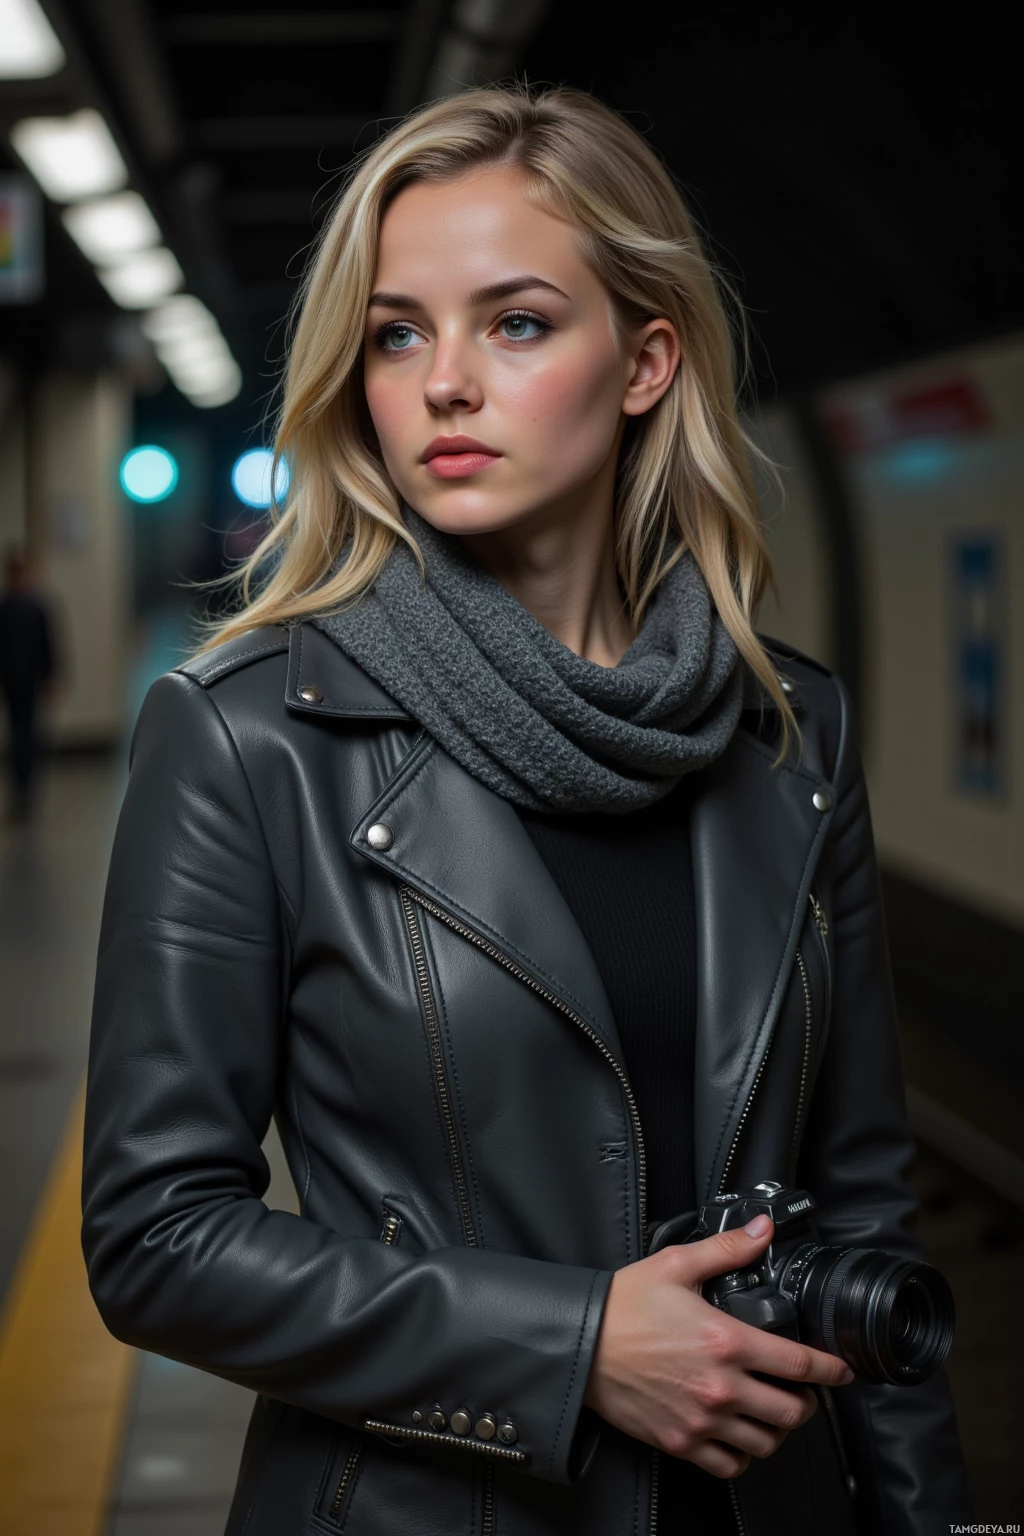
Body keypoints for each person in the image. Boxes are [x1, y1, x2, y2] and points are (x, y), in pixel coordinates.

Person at [82, 85, 971, 1535]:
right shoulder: (247, 739)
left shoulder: (790, 733)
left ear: (644, 361)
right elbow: (154, 1238)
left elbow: (864, 1212)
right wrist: (572, 1350)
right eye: (396, 333)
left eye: (516, 323)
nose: (443, 382)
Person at [0, 546, 56, 822]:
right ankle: (19, 789)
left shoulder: (37, 609)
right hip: (11, 683)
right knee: (16, 736)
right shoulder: (5, 609)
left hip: (31, 682)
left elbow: (49, 646)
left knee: (30, 735)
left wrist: (51, 677)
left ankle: (29, 788)